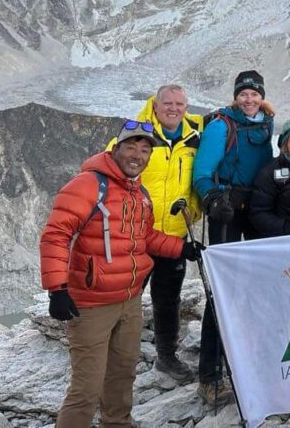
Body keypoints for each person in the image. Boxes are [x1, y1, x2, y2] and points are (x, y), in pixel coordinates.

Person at [40, 120, 202, 428]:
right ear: (116, 149)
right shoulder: (88, 184)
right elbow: (55, 235)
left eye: (145, 150)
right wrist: (57, 288)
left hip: (129, 301)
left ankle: (118, 424)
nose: (137, 155)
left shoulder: (138, 192)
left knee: (123, 373)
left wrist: (180, 248)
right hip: (90, 305)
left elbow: (145, 237)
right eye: (131, 147)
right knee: (86, 386)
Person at [106, 84, 204, 380]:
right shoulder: (136, 136)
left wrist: (196, 209)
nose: (173, 109)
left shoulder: (195, 138)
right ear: (156, 105)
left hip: (174, 234)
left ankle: (166, 356)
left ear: (187, 107)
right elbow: (108, 170)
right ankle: (112, 358)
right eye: (168, 103)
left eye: (179, 104)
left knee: (168, 298)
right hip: (136, 235)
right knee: (124, 296)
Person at [192, 69, 275, 405]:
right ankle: (210, 376)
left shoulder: (265, 123)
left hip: (254, 209)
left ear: (262, 96)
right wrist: (212, 198)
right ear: (236, 96)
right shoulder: (220, 126)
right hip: (227, 209)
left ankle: (251, 361)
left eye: (255, 93)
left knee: (255, 285)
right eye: (244, 93)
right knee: (222, 291)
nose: (249, 99)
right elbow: (202, 170)